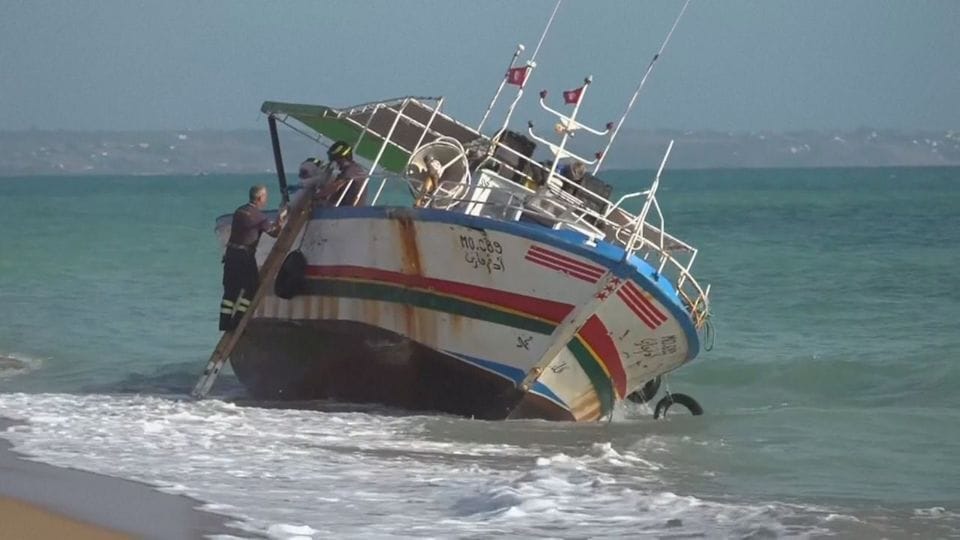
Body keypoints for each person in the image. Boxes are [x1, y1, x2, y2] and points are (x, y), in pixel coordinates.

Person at [219, 185, 287, 331]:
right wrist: (280, 220)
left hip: (231, 254)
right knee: (251, 288)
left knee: (231, 290)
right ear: (260, 198)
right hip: (245, 256)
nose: (266, 199)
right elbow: (274, 233)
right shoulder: (259, 217)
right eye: (265, 197)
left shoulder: (239, 211)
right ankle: (238, 319)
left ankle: (224, 323)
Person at [314, 141, 368, 206]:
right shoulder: (346, 170)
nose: (334, 162)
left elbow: (335, 186)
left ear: (342, 158)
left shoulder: (353, 170)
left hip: (349, 209)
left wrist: (316, 196)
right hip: (343, 206)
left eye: (335, 159)